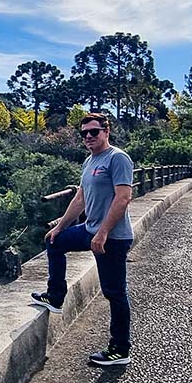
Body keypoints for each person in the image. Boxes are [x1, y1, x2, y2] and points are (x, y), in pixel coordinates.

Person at [30, 112, 135, 366]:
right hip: (90, 230)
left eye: (94, 131)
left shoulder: (117, 158)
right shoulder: (89, 162)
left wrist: (103, 233)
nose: (88, 136)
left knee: (114, 292)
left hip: (113, 237)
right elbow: (80, 199)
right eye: (84, 133)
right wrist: (60, 227)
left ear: (106, 131)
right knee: (54, 242)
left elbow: (123, 198)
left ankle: (120, 349)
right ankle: (55, 297)